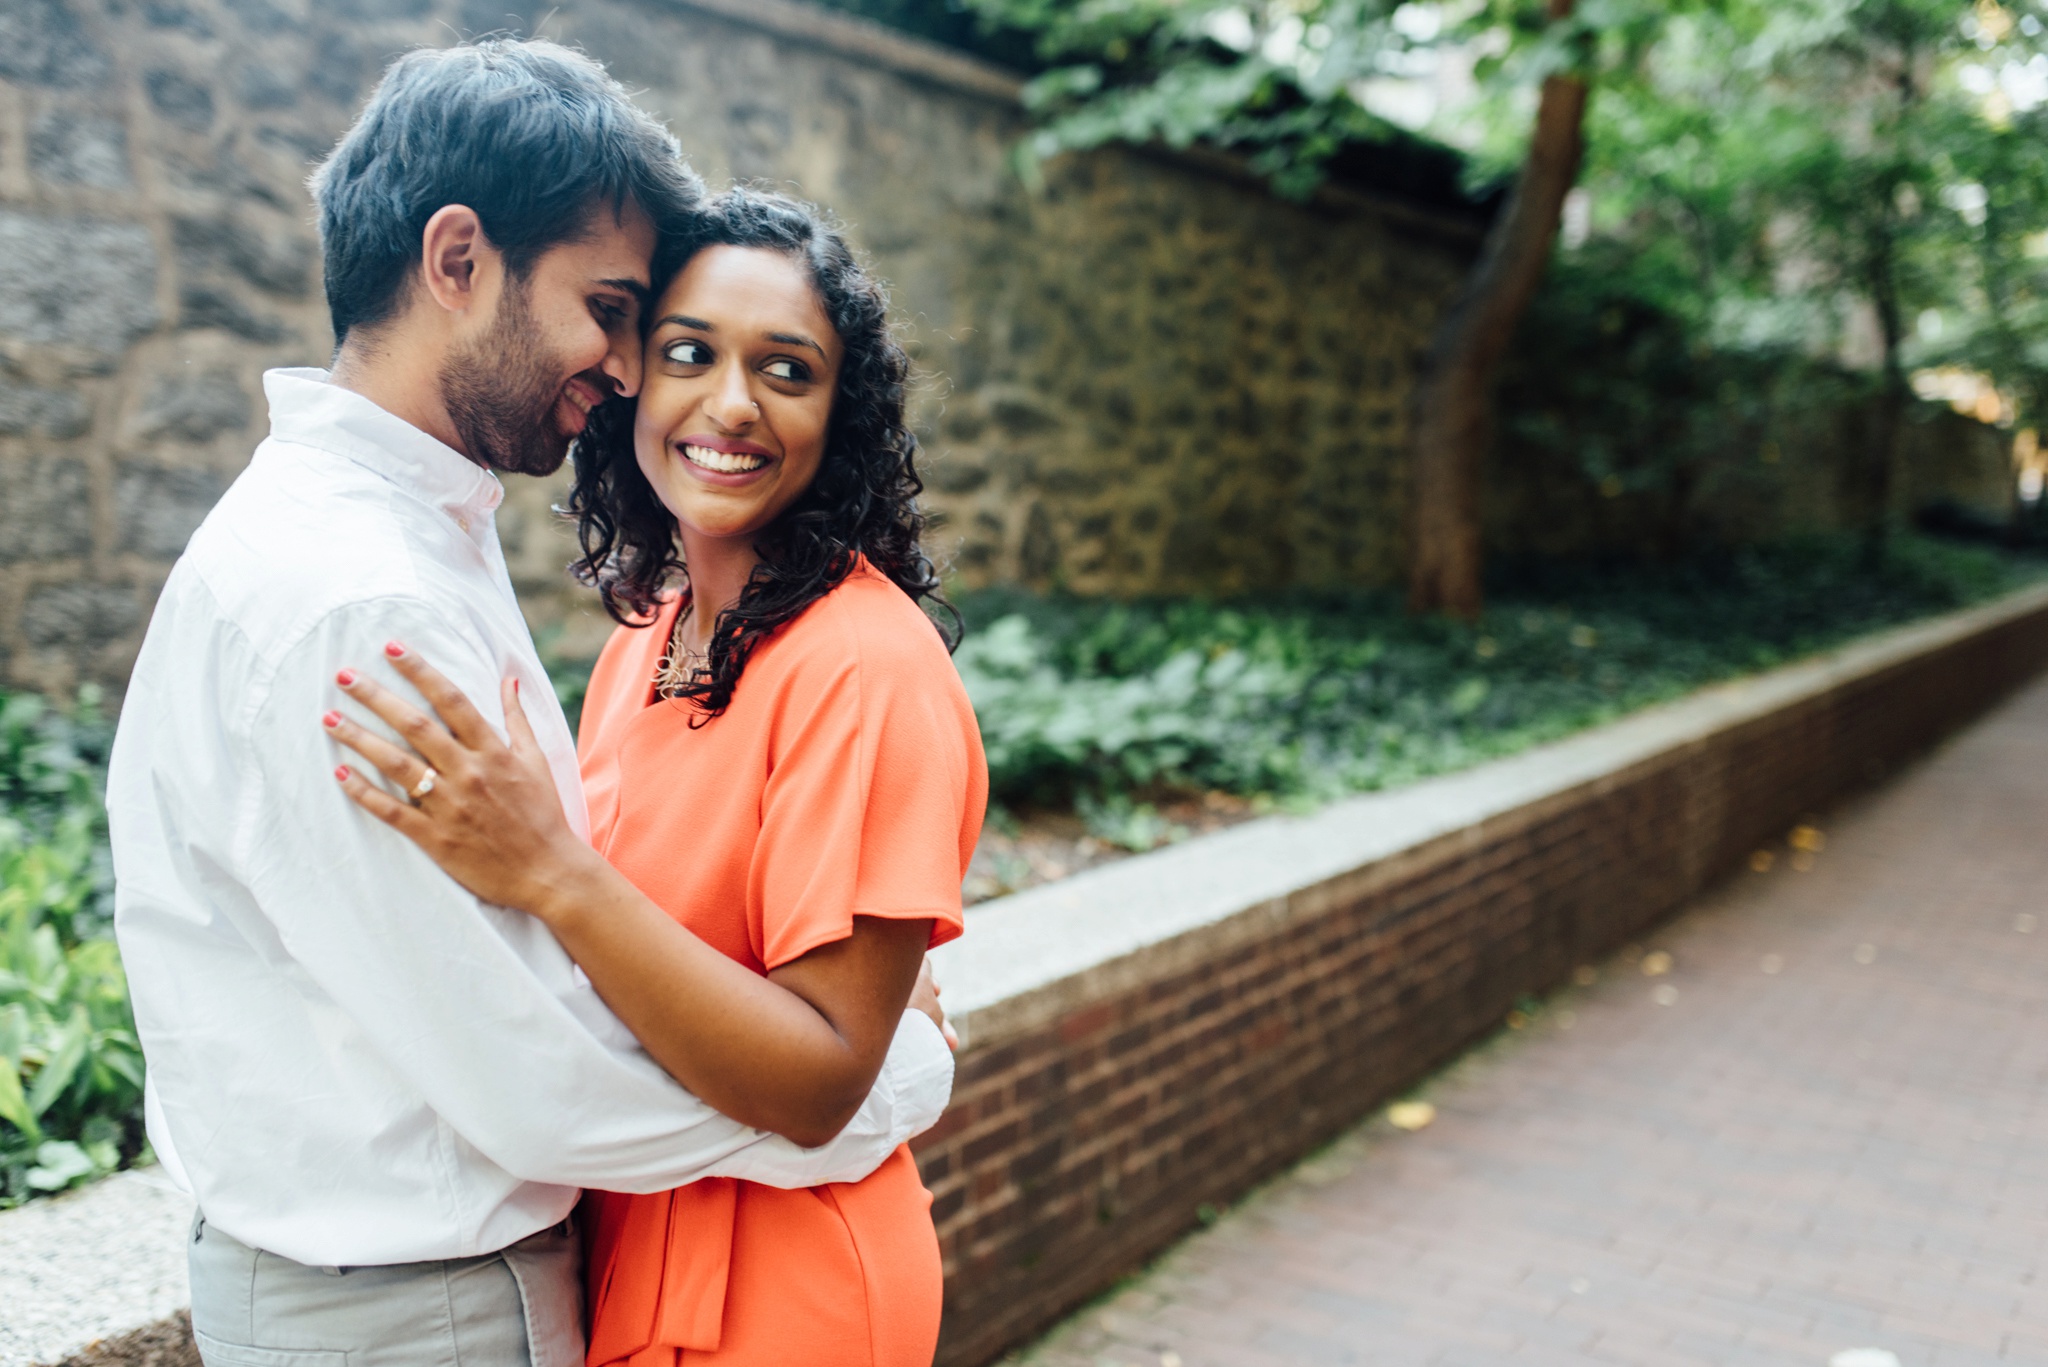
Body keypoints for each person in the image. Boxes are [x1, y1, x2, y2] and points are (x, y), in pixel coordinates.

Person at [106, 42, 955, 1367]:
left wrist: (838, 1042)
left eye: (785, 367)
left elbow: (563, 958)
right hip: (416, 1302)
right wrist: (884, 1078)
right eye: (618, 314)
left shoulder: (409, 539)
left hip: (673, 1280)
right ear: (458, 261)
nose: (624, 370)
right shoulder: (363, 599)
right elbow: (535, 1072)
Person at [323, 189, 987, 1367]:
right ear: (632, 376)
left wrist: (552, 872)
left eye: (786, 370)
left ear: (841, 412)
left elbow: (822, 1078)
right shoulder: (650, 634)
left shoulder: (864, 666)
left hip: (785, 1277)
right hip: (628, 1243)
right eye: (689, 353)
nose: (729, 405)